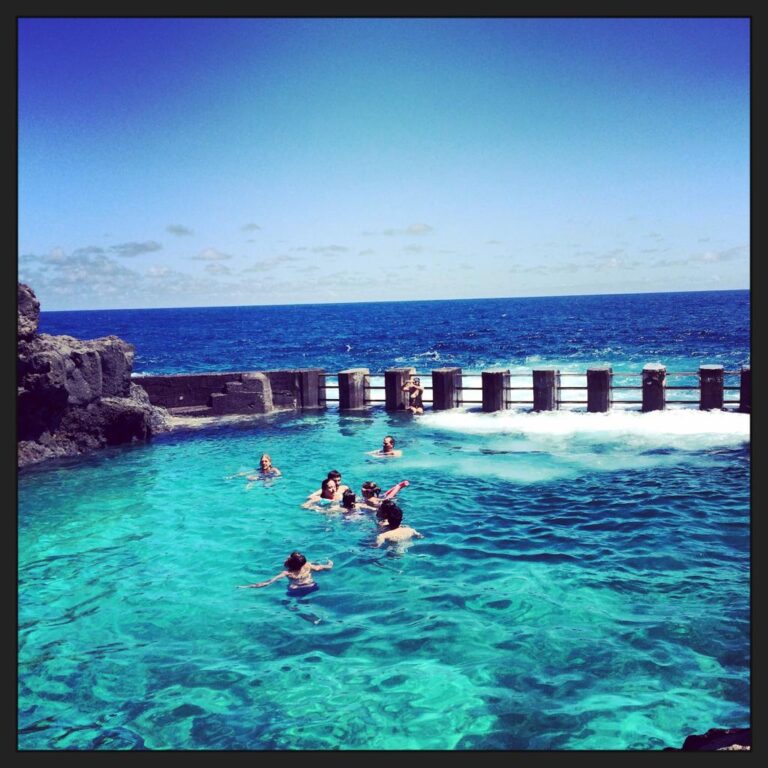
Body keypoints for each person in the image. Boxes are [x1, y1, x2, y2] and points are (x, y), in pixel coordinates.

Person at [238, 551, 333, 595]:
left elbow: (268, 582)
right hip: (311, 586)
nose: (287, 557)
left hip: (295, 589)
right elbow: (320, 568)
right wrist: (330, 564)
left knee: (296, 605)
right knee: (306, 602)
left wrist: (247, 587)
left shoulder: (287, 573)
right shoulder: (308, 565)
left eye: (288, 557)